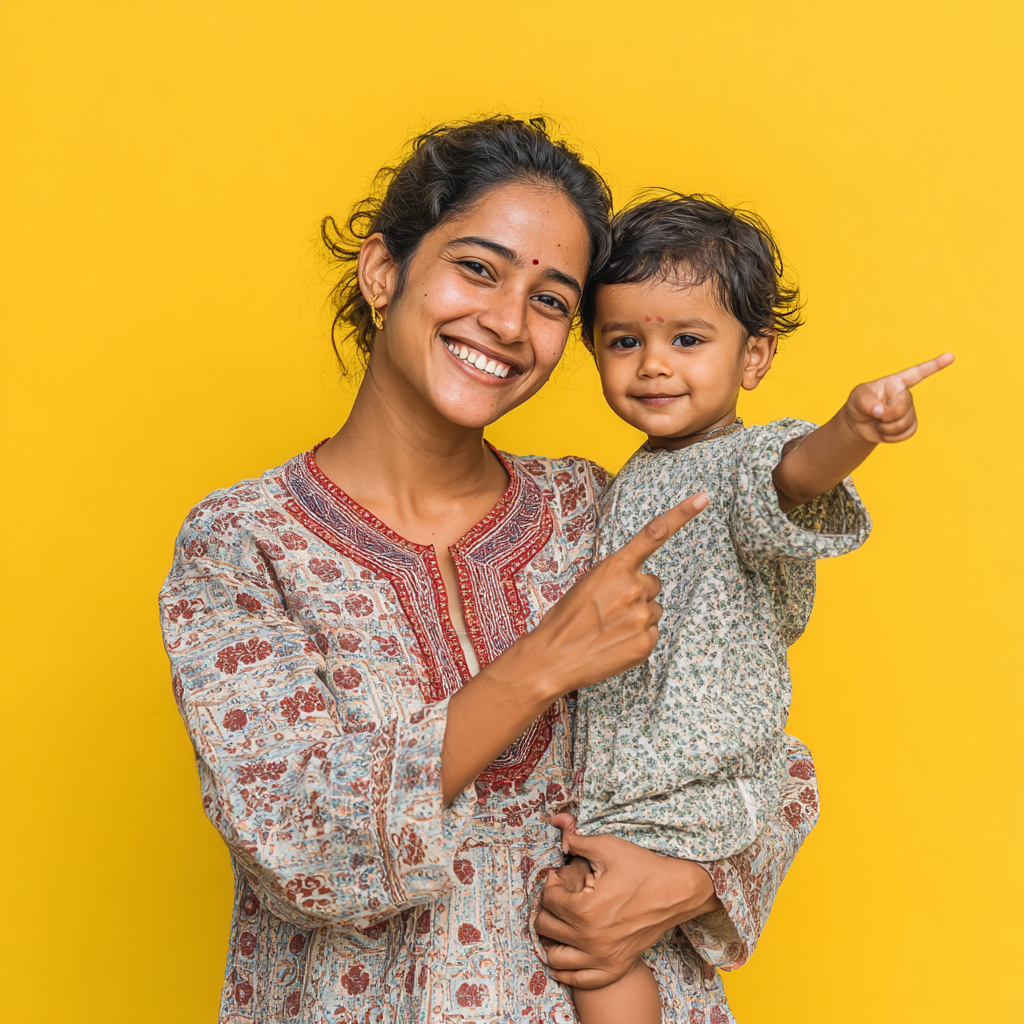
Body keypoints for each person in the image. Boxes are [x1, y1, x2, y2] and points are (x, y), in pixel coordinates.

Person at [160, 120, 820, 1024]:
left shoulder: (599, 512)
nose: (508, 322)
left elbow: (756, 756)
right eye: (478, 268)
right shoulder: (243, 545)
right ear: (385, 271)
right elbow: (293, 847)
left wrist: (691, 877)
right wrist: (540, 664)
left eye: (552, 301)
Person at [546, 192, 952, 1023]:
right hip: (628, 778)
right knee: (597, 932)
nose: (654, 365)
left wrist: (854, 428)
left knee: (592, 943)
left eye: (688, 341)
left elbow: (797, 475)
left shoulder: (740, 463)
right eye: (626, 342)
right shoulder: (627, 478)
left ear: (754, 358)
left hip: (693, 779)